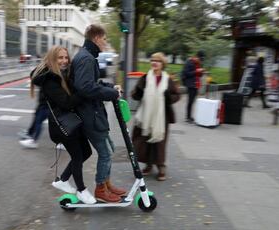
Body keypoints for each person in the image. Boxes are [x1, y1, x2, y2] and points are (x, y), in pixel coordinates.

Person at [32, 46, 96, 204]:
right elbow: (66, 103)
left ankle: (63, 180)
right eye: (60, 58)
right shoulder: (50, 79)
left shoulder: (62, 74)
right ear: (53, 59)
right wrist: (84, 92)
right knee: (77, 155)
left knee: (86, 152)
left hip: (71, 122)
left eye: (66, 57)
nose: (64, 61)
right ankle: (81, 190)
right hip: (63, 126)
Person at [71, 24, 126, 203]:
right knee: (105, 153)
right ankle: (101, 188)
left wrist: (111, 87)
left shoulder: (87, 56)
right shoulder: (86, 58)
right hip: (89, 115)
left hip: (93, 113)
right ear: (96, 38)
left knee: (109, 149)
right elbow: (85, 87)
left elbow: (92, 83)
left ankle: (106, 184)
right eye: (104, 38)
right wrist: (111, 94)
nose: (105, 42)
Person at [131, 53, 180, 181]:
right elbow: (135, 95)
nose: (154, 62)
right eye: (152, 60)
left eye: (157, 61)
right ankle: (148, 165)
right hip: (146, 114)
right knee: (145, 139)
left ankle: (161, 166)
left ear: (162, 64)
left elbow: (177, 95)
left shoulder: (167, 79)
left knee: (159, 141)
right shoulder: (146, 78)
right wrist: (139, 91)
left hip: (162, 116)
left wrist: (169, 97)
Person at [18, 79, 49, 149]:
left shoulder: (49, 75)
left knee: (39, 121)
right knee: (36, 118)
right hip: (43, 103)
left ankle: (34, 141)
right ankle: (30, 134)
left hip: (46, 104)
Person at [181, 51, 205, 123]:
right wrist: (197, 71)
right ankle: (188, 117)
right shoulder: (189, 62)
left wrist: (201, 72)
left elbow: (199, 75)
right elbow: (186, 73)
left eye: (201, 59)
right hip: (190, 84)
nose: (200, 61)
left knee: (192, 101)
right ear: (196, 56)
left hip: (196, 84)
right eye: (200, 59)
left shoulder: (198, 63)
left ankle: (190, 117)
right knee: (190, 101)